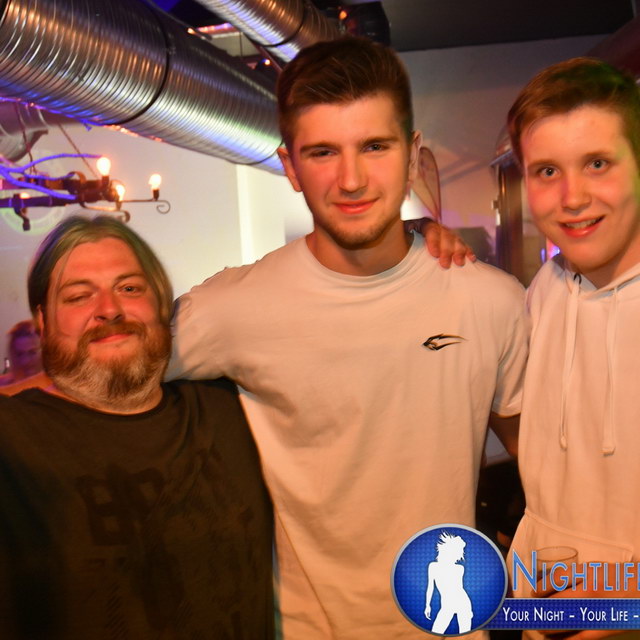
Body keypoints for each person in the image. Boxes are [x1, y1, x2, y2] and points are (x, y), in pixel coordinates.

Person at [169, 36, 528, 639]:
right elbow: (98, 383)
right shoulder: (230, 308)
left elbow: (546, 466)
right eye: (322, 152)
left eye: (375, 146)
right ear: (290, 166)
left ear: (412, 156)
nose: (352, 179)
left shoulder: (491, 301)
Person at [0, 215, 274, 639]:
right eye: (78, 296)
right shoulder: (12, 440)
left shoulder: (230, 404)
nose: (109, 310)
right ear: (42, 320)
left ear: (162, 305)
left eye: (129, 288)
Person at [507, 57, 640, 615]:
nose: (573, 197)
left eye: (597, 163)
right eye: (547, 171)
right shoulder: (544, 288)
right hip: (543, 604)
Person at [425, 532, 473, 634]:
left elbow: (459, 588)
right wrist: (427, 605)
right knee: (436, 631)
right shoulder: (433, 566)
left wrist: (469, 611)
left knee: (466, 635)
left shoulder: (460, 568)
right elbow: (430, 587)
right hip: (447, 605)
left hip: (463, 603)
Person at [0, 319, 43, 385]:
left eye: (32, 352)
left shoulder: (56, 384)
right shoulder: (4, 386)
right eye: (19, 354)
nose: (25, 361)